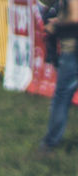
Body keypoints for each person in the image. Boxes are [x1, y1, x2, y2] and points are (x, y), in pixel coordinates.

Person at [40, 0, 78, 153]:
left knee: (61, 97)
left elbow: (75, 17)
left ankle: (50, 143)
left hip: (73, 49)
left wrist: (55, 25)